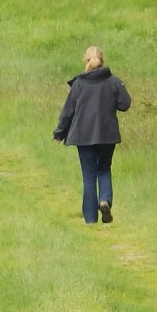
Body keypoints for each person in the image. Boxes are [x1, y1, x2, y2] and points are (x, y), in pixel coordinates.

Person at [53, 46, 131, 224]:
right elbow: (125, 104)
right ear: (102, 60)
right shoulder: (113, 81)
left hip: (83, 135)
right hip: (107, 135)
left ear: (86, 61)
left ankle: (90, 221)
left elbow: (68, 112)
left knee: (89, 177)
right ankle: (105, 200)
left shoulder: (79, 84)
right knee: (104, 168)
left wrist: (60, 133)